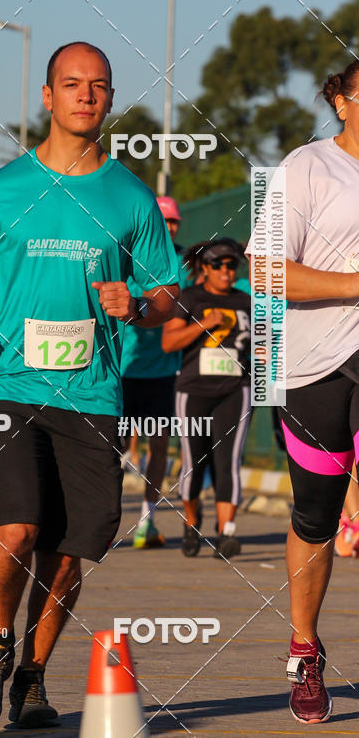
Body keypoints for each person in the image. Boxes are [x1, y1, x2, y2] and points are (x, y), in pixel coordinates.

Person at [0, 41, 180, 728]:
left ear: (109, 99)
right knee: (17, 523)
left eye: (98, 86)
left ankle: (34, 678)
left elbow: (168, 290)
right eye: (71, 84)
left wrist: (137, 303)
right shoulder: (2, 188)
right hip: (8, 381)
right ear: (47, 96)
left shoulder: (129, 196)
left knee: (72, 549)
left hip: (94, 392)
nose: (84, 95)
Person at [247, 60, 359, 724]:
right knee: (313, 517)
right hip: (315, 366)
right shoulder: (307, 167)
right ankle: (305, 648)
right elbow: (265, 270)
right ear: (342, 103)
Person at [162, 238, 251, 559]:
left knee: (229, 463)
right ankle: (192, 523)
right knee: (194, 462)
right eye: (218, 265)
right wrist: (203, 324)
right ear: (204, 268)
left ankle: (226, 532)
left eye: (231, 266)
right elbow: (169, 343)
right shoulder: (189, 299)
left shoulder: (246, 302)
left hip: (235, 390)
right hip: (194, 391)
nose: (226, 271)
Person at [120, 195, 187, 548]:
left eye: (173, 222)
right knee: (110, 450)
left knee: (159, 447)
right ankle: (104, 516)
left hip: (163, 373)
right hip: (123, 369)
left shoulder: (183, 266)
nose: (168, 227)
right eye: (162, 221)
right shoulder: (128, 260)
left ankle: (147, 519)